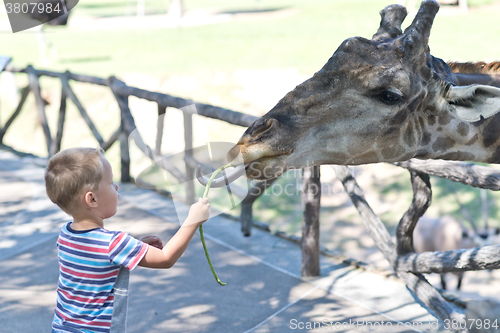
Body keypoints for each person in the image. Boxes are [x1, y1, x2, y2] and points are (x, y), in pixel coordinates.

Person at [45, 147, 210, 333]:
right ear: (91, 200)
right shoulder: (114, 243)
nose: (116, 187)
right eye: (110, 183)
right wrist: (193, 220)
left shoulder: (65, 234)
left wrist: (138, 247)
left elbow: (97, 263)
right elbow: (166, 258)